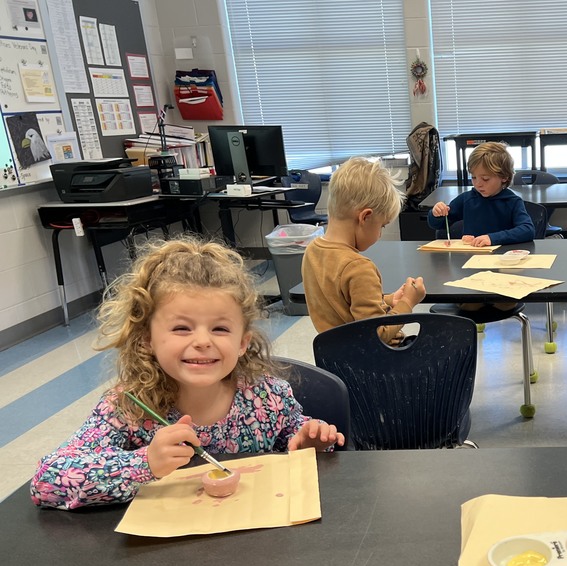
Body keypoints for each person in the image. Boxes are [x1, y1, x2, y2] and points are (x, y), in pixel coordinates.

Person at [31, 239, 346, 510]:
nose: (202, 341)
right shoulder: (126, 408)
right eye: (181, 328)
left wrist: (307, 443)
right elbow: (47, 481)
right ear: (147, 339)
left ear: (242, 342)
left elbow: (293, 436)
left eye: (220, 328)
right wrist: (144, 463)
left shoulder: (267, 397)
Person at [302, 157, 426, 341]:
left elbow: (344, 305)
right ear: (365, 217)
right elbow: (377, 335)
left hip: (337, 356)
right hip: (375, 363)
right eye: (382, 226)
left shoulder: (312, 251)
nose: (380, 234)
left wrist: (391, 300)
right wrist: (408, 303)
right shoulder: (358, 267)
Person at [426, 140, 534, 247]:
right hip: (472, 258)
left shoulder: (512, 202)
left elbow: (527, 230)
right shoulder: (467, 199)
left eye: (485, 179)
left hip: (502, 258)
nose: (478, 184)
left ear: (504, 177)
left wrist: (492, 238)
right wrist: (436, 214)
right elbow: (439, 224)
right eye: (473, 177)